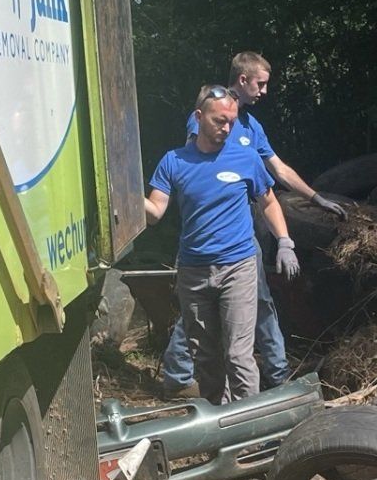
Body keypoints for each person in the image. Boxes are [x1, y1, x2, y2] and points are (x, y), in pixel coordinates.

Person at [161, 51, 341, 395]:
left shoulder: (251, 126)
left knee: (260, 302)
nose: (264, 91)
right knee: (204, 313)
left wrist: (314, 197)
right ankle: (180, 376)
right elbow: (194, 169)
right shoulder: (208, 117)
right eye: (260, 83)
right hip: (209, 237)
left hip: (244, 236)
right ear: (242, 80)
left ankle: (275, 374)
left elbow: (277, 170)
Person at [144, 86, 299, 406]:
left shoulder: (245, 158)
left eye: (231, 121)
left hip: (238, 267)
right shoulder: (174, 161)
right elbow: (155, 212)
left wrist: (285, 241)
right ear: (199, 118)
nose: (227, 128)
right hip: (194, 271)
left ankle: (248, 431)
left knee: (238, 355)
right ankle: (221, 424)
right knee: (207, 360)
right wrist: (128, 196)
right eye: (219, 121)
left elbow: (268, 201)